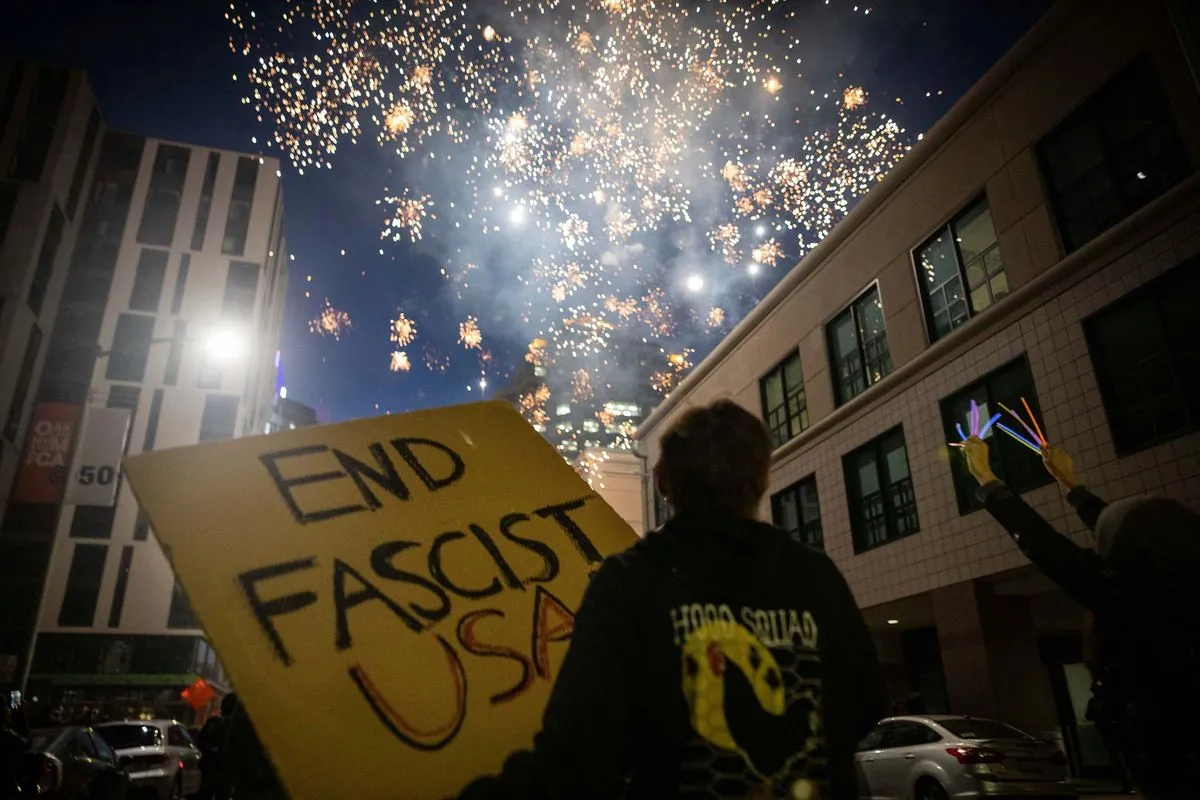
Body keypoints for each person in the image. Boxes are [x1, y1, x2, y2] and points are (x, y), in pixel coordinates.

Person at [460, 399, 885, 799]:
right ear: (761, 479)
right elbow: (866, 697)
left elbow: (578, 750)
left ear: (664, 480)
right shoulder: (815, 577)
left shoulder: (630, 583)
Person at [956, 435, 1200, 800]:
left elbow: (1049, 548)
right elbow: (1120, 524)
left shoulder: (1132, 600)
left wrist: (986, 478)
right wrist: (1071, 485)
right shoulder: (1177, 586)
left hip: (1174, 766)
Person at [196, 694, 237, 800]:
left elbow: (200, 740)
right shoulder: (218, 723)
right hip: (215, 768)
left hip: (220, 770)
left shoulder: (219, 723)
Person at [1, 702, 31, 798]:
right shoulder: (6, 736)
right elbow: (26, 743)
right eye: (6, 707)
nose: (9, 710)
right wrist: (22, 717)